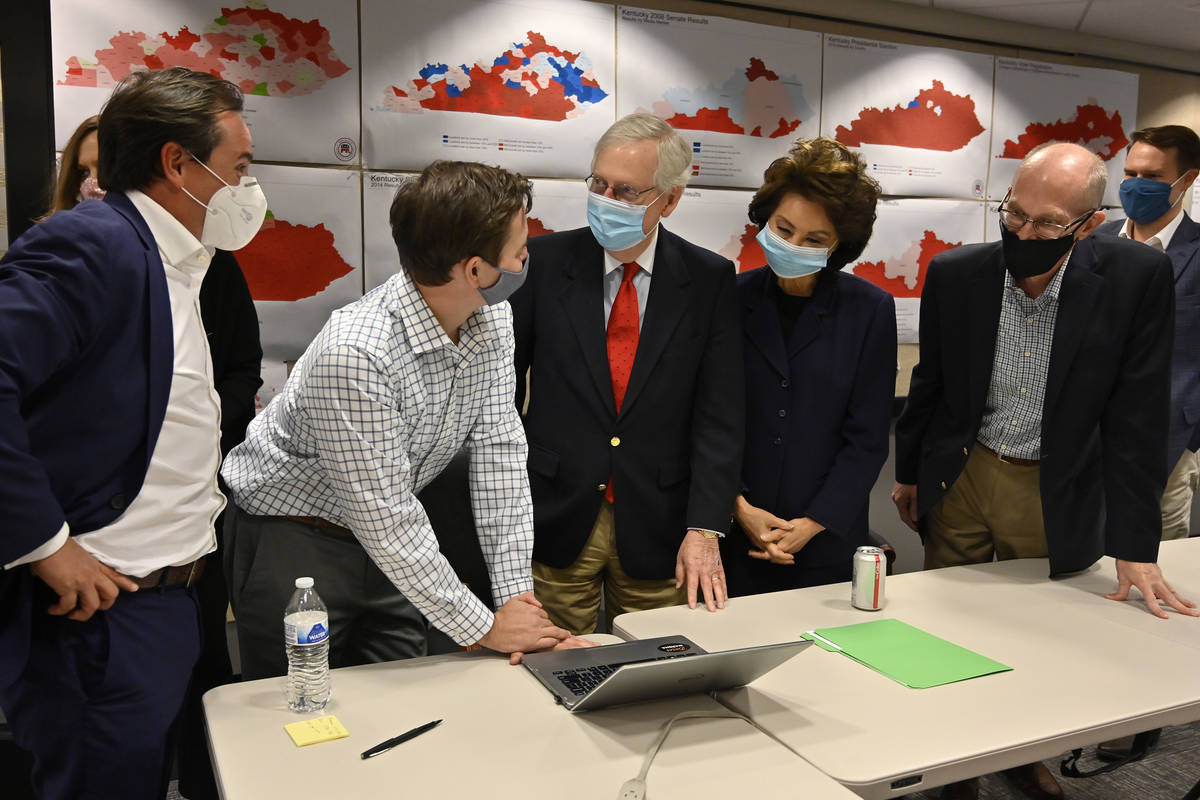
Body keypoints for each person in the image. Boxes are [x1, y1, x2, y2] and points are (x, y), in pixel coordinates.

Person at [892, 141, 1199, 800]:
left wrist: (1135, 544)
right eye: (1014, 215)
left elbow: (1138, 416)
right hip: (967, 475)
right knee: (950, 631)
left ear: (1088, 224)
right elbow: (932, 384)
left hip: (1052, 485)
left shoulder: (1135, 278)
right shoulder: (956, 273)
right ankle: (956, 765)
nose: (1023, 233)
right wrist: (910, 471)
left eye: (1046, 224)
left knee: (1036, 637)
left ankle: (1021, 753)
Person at [0, 67, 265, 800]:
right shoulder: (93, 246)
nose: (249, 188)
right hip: (98, 615)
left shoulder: (177, 262)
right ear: (180, 164)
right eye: (240, 167)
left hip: (167, 599)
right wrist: (46, 546)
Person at [221, 160, 578, 678]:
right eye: (520, 251)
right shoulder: (358, 351)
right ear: (473, 269)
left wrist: (515, 597)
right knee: (297, 712)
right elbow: (382, 515)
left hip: (400, 543)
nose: (528, 259)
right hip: (297, 541)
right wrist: (483, 627)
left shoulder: (492, 316)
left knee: (407, 701)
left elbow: (500, 454)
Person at [511, 113, 744, 634]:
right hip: (555, 510)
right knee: (546, 667)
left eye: (626, 190)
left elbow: (720, 414)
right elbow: (501, 395)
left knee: (653, 669)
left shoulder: (708, 280)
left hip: (660, 520)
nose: (606, 198)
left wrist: (706, 526)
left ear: (670, 199)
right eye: (599, 183)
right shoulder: (542, 263)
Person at [724, 138, 895, 596]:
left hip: (825, 543)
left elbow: (868, 436)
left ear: (839, 245)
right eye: (783, 229)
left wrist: (813, 522)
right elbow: (708, 419)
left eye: (814, 239)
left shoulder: (870, 310)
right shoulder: (727, 298)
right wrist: (738, 506)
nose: (792, 245)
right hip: (733, 536)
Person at [1093, 126, 1200, 763]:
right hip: (1090, 444)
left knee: (1153, 588)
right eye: (1129, 170)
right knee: (1091, 578)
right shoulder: (1096, 241)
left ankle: (1138, 716)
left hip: (1165, 448)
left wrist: (1190, 428)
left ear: (1185, 182)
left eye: (1151, 175)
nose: (1133, 184)